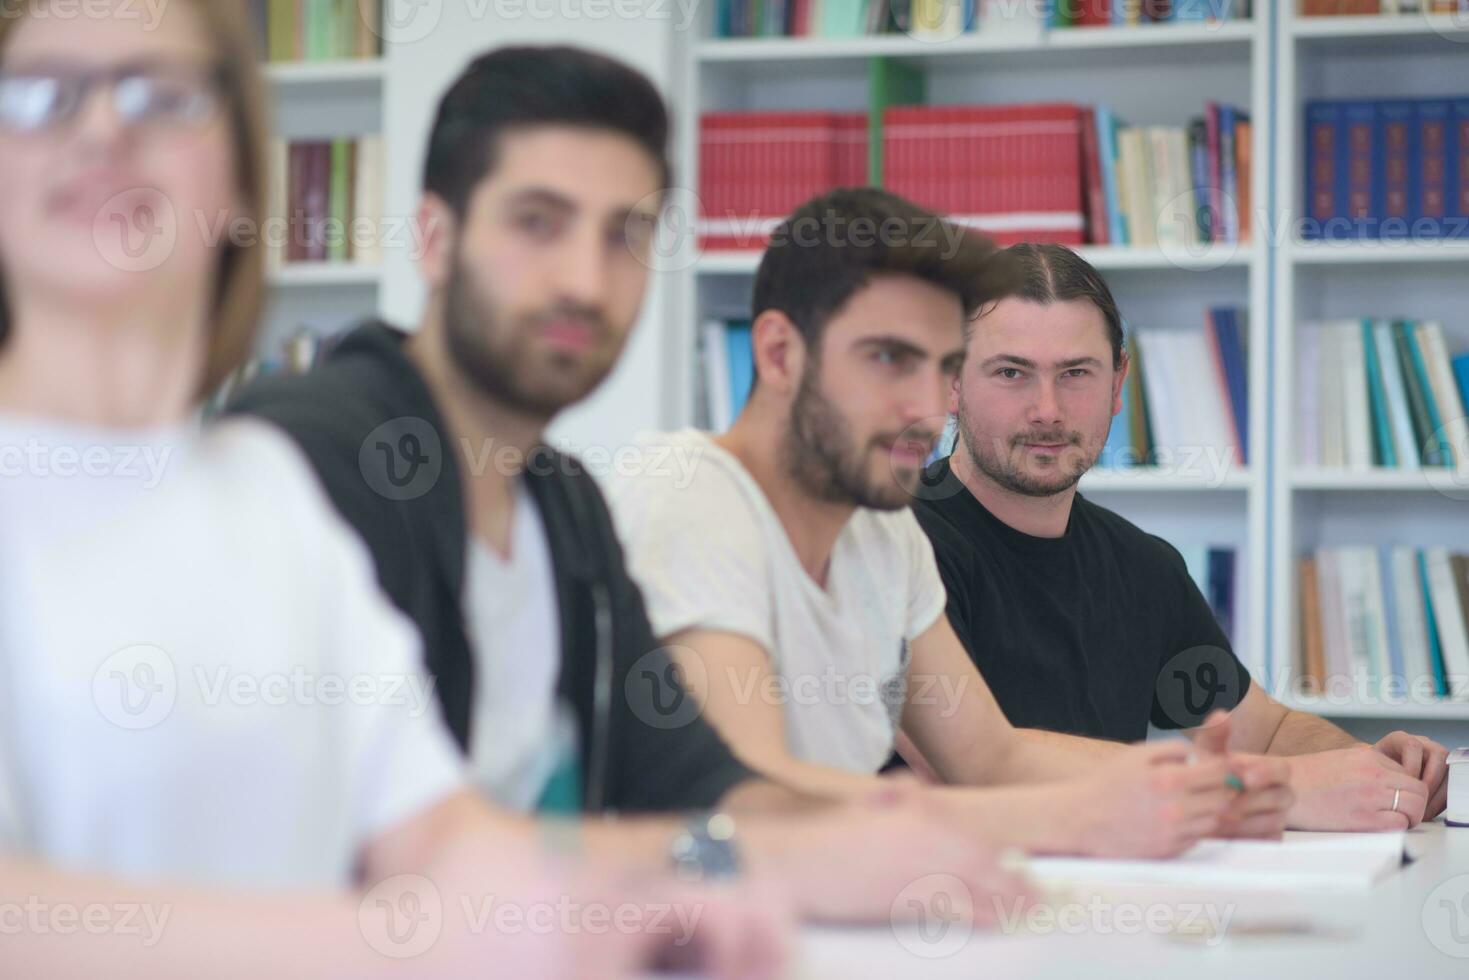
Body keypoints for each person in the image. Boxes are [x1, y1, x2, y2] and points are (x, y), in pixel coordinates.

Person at [0, 4, 787, 976]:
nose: (101, 129)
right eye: (38, 95)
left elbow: (442, 838)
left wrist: (648, 907)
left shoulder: (262, 495)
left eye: (162, 96)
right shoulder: (317, 445)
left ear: (243, 178)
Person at [229, 45, 1024, 921]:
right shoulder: (303, 461)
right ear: (433, 239)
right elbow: (387, 857)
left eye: (625, 235)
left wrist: (884, 839)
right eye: (538, 221)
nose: (584, 280)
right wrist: (771, 857)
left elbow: (692, 780)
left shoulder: (563, 502)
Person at [607, 187, 1296, 859]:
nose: (924, 408)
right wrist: (1085, 812)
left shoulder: (884, 533)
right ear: (780, 354)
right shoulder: (689, 493)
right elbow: (752, 794)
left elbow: (991, 756)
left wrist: (1192, 788)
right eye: (888, 359)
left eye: (940, 369)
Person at [910, 242, 1449, 831]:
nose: (1047, 409)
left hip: (1110, 905)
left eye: (1075, 374)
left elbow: (1263, 733)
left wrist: (1372, 769)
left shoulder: (1143, 568)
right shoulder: (894, 545)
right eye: (1012, 373)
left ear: (1118, 384)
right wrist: (1269, 788)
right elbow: (966, 764)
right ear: (951, 381)